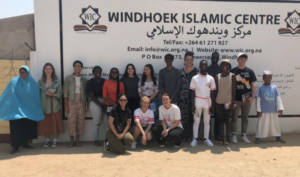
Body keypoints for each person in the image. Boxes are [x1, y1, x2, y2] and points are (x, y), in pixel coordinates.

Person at [0, 66, 44, 154]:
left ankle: (25, 143)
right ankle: (15, 146)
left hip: (28, 110)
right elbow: (8, 95)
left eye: (24, 72)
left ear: (28, 73)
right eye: (21, 72)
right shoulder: (13, 82)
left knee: (27, 127)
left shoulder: (33, 84)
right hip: (16, 110)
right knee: (15, 128)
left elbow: (35, 97)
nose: (22, 74)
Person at [230, 53, 257, 144]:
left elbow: (253, 84)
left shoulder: (250, 71)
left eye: (244, 59)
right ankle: (234, 135)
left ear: (246, 60)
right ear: (237, 60)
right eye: (241, 59)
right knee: (234, 118)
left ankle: (244, 135)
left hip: (247, 99)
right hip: (236, 99)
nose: (242, 60)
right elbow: (229, 86)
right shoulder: (233, 71)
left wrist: (253, 97)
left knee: (245, 118)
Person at [255, 70, 286, 144]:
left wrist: (280, 108)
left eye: (269, 77)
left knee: (275, 124)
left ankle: (278, 137)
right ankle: (257, 138)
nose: (268, 79)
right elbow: (258, 99)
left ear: (271, 78)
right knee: (261, 124)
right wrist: (258, 110)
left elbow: (278, 98)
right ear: (263, 78)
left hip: (273, 109)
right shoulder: (260, 87)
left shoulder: (274, 87)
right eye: (266, 77)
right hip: (263, 110)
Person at [190, 60, 216, 147]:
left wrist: (212, 105)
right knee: (196, 121)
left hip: (207, 102)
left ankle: (206, 139)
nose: (204, 66)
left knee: (207, 121)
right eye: (202, 65)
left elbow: (212, 92)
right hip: (198, 101)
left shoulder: (211, 78)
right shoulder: (195, 78)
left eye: (205, 65)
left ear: (207, 66)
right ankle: (195, 139)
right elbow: (192, 93)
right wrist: (192, 105)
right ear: (200, 66)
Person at [38, 63, 64, 148]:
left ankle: (55, 140)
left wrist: (51, 94)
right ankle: (47, 140)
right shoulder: (40, 82)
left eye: (50, 68)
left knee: (55, 122)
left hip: (54, 105)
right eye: (46, 69)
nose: (48, 70)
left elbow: (60, 94)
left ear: (52, 70)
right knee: (46, 123)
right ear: (44, 70)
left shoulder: (57, 81)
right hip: (44, 105)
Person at [64, 60, 88, 147]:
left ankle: (77, 141)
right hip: (71, 101)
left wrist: (86, 105)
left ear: (81, 68)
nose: (77, 68)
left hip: (81, 101)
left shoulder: (84, 80)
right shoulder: (68, 78)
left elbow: (86, 94)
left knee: (80, 121)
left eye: (79, 66)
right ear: (73, 67)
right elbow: (65, 93)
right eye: (75, 66)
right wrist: (66, 105)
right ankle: (71, 141)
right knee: (71, 121)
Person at [178, 51, 199, 141]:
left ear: (193, 60)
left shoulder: (197, 71)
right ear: (184, 60)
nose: (189, 61)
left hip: (194, 98)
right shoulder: (180, 71)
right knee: (184, 117)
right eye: (187, 59)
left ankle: (193, 135)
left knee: (194, 117)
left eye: (190, 59)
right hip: (183, 99)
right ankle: (185, 134)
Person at [214, 59, 236, 146]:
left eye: (227, 65)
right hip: (219, 101)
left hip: (228, 102)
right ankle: (221, 138)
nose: (225, 66)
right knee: (220, 120)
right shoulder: (217, 76)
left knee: (227, 120)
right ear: (221, 66)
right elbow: (215, 90)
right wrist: (215, 103)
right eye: (223, 64)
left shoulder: (232, 75)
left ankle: (227, 138)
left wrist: (233, 102)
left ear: (229, 66)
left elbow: (234, 89)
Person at [87, 66, 106, 146]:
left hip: (105, 102)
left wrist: (105, 105)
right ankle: (96, 140)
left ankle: (108, 140)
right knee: (97, 123)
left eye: (99, 71)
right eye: (96, 71)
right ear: (93, 72)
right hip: (95, 102)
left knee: (107, 122)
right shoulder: (90, 82)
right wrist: (102, 106)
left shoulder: (104, 81)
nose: (98, 72)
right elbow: (91, 95)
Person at [206, 52, 222, 141]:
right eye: (213, 57)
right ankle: (207, 135)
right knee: (209, 116)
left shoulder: (221, 69)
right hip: (208, 97)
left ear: (218, 58)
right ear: (211, 58)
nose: (215, 58)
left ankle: (217, 134)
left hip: (219, 97)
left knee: (218, 117)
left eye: (216, 57)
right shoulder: (207, 69)